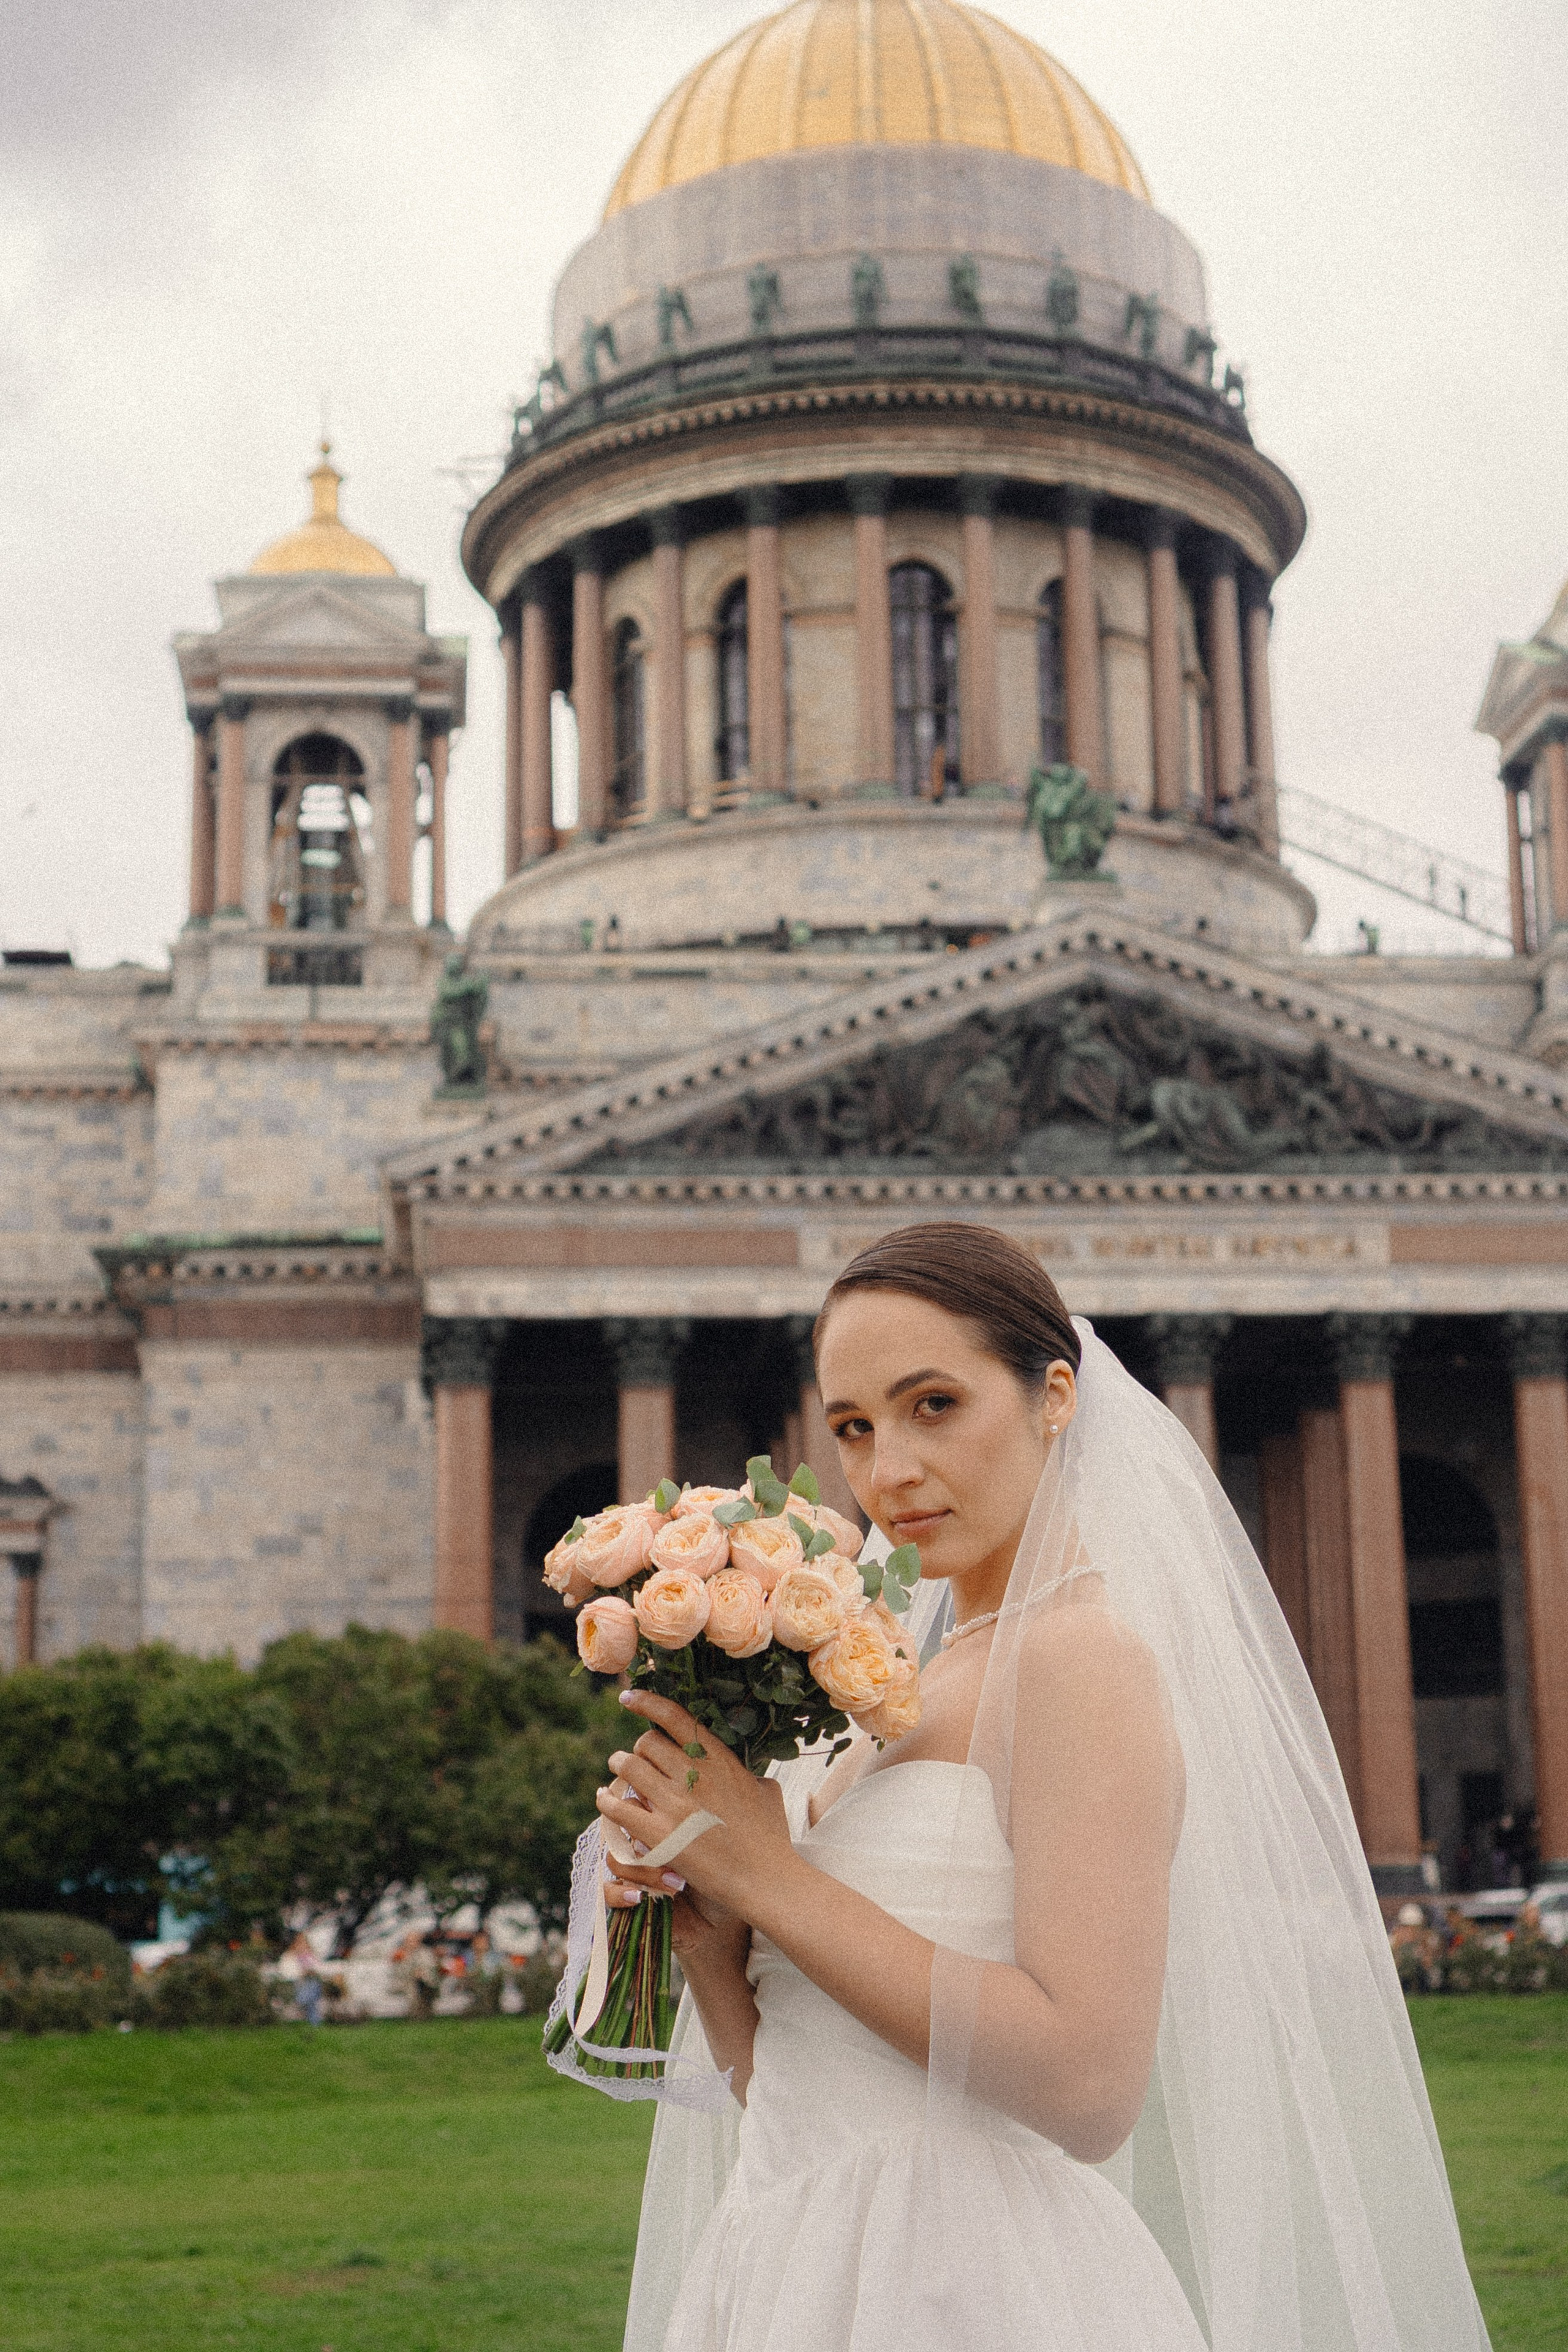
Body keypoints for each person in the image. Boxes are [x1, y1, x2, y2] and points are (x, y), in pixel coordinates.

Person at [595, 1222, 1489, 2351]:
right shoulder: (901, 1688)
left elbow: (1090, 2084)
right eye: (855, 1429)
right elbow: (794, 2092)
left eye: (934, 1406)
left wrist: (772, 1879)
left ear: (1055, 1395)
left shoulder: (1081, 1660)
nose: (890, 1472)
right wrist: (712, 1939)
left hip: (968, 2287)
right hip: (794, 2261)